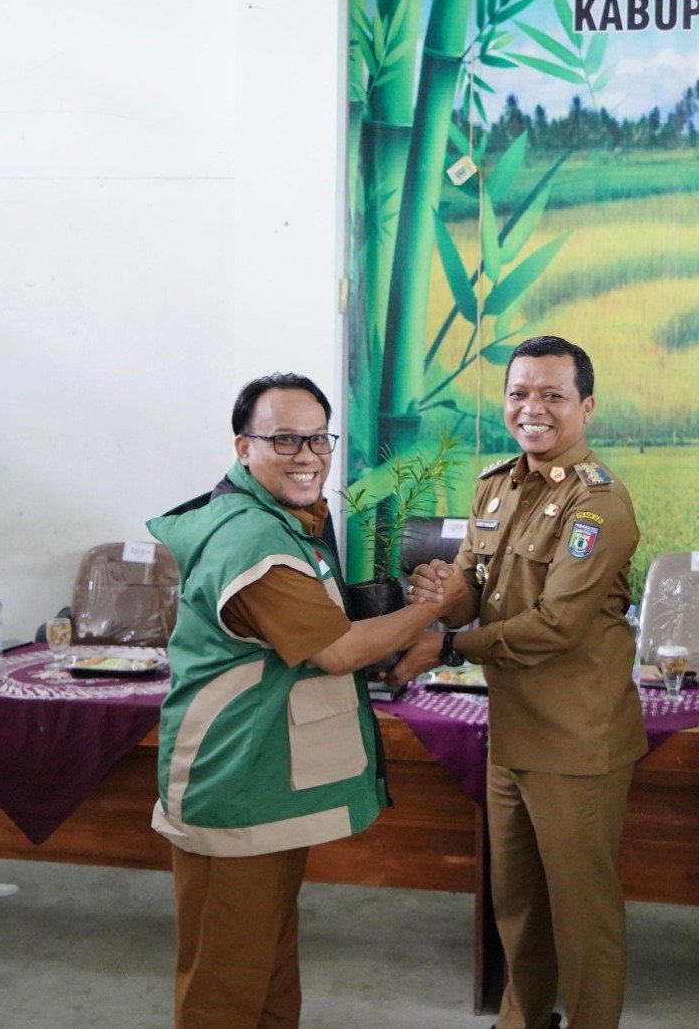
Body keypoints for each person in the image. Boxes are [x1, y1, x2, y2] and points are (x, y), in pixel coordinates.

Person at [147, 372, 448, 1029]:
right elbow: (336, 650)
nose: (307, 454)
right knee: (225, 989)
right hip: (235, 785)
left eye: (317, 438)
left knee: (269, 969)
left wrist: (408, 625)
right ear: (243, 446)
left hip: (265, 782)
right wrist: (435, 610)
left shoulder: (287, 522)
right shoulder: (251, 541)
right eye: (284, 439)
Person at [394, 335, 644, 1029]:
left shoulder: (597, 504)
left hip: (576, 742)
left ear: (586, 407)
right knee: (518, 906)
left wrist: (445, 643)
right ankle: (521, 1020)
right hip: (511, 733)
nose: (532, 408)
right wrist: (435, 598)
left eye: (552, 395)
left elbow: (556, 625)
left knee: (583, 915)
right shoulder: (495, 485)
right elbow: (473, 587)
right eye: (519, 393)